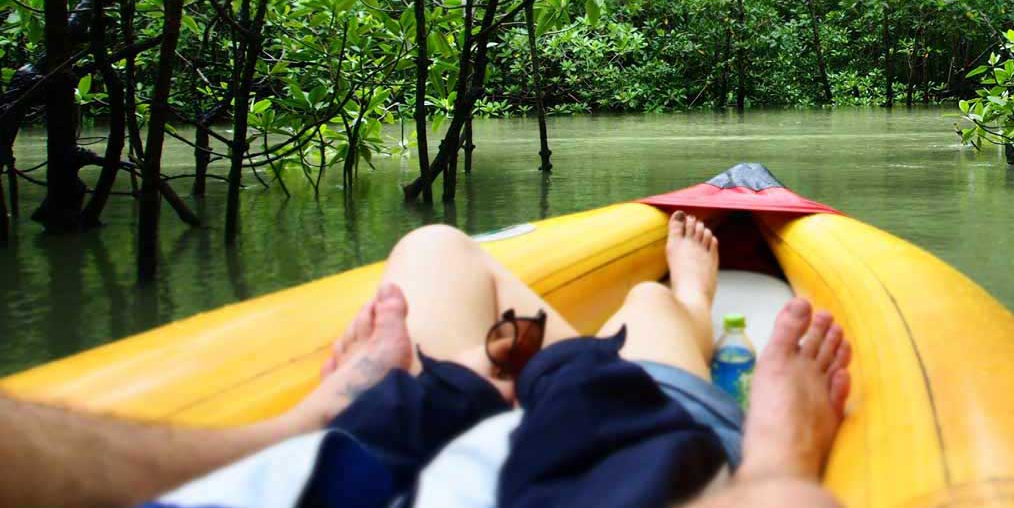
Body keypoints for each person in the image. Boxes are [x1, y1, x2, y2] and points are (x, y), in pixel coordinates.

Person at [0, 212, 851, 508]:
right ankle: (690, 304)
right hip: (618, 468)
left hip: (377, 449)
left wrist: (311, 426)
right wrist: (780, 455)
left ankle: (466, 384)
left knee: (437, 249)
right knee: (646, 307)